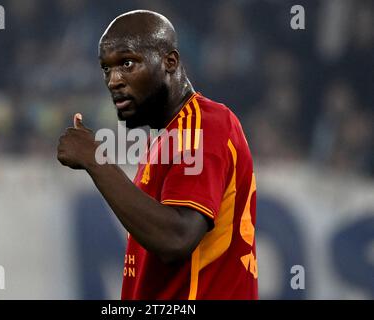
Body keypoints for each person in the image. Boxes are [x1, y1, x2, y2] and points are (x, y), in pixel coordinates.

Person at [57, 10, 258, 299]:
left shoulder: (206, 122)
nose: (113, 80)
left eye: (127, 63)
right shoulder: (163, 140)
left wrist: (95, 160)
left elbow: (177, 238)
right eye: (106, 68)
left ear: (170, 62)